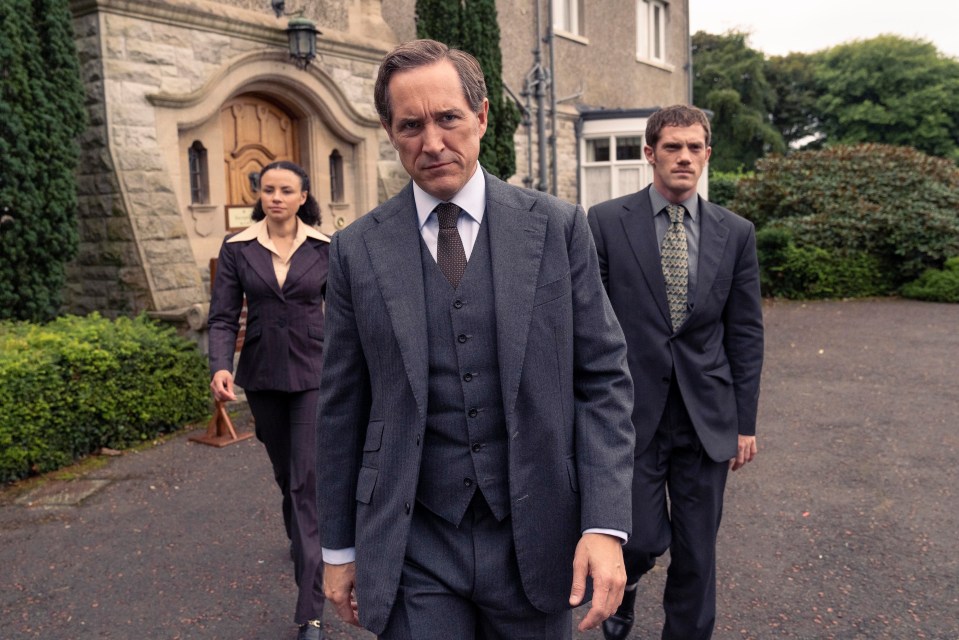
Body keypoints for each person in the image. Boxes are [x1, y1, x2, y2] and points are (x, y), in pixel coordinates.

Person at [314, 39, 635, 640]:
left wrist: (605, 524)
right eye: (411, 125)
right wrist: (337, 549)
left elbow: (603, 381)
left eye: (448, 118)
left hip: (535, 535)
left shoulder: (558, 228)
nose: (432, 142)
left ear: (482, 117)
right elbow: (340, 408)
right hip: (415, 542)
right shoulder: (356, 249)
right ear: (389, 131)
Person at [587, 104, 764, 640]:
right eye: (672, 147)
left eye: (694, 148)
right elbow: (590, 324)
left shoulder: (736, 233)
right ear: (649, 154)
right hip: (631, 415)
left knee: (697, 553)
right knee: (637, 538)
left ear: (707, 155)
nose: (683, 157)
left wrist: (746, 422)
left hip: (706, 417)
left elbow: (746, 333)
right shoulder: (605, 222)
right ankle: (629, 582)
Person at [208, 160, 330, 640]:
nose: (275, 196)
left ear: (303, 197)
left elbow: (343, 313)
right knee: (286, 475)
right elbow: (221, 317)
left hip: (314, 374)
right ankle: (301, 535)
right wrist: (221, 365)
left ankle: (311, 613)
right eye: (268, 189)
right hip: (261, 376)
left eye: (286, 190)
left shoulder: (325, 248)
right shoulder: (238, 247)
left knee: (305, 484)